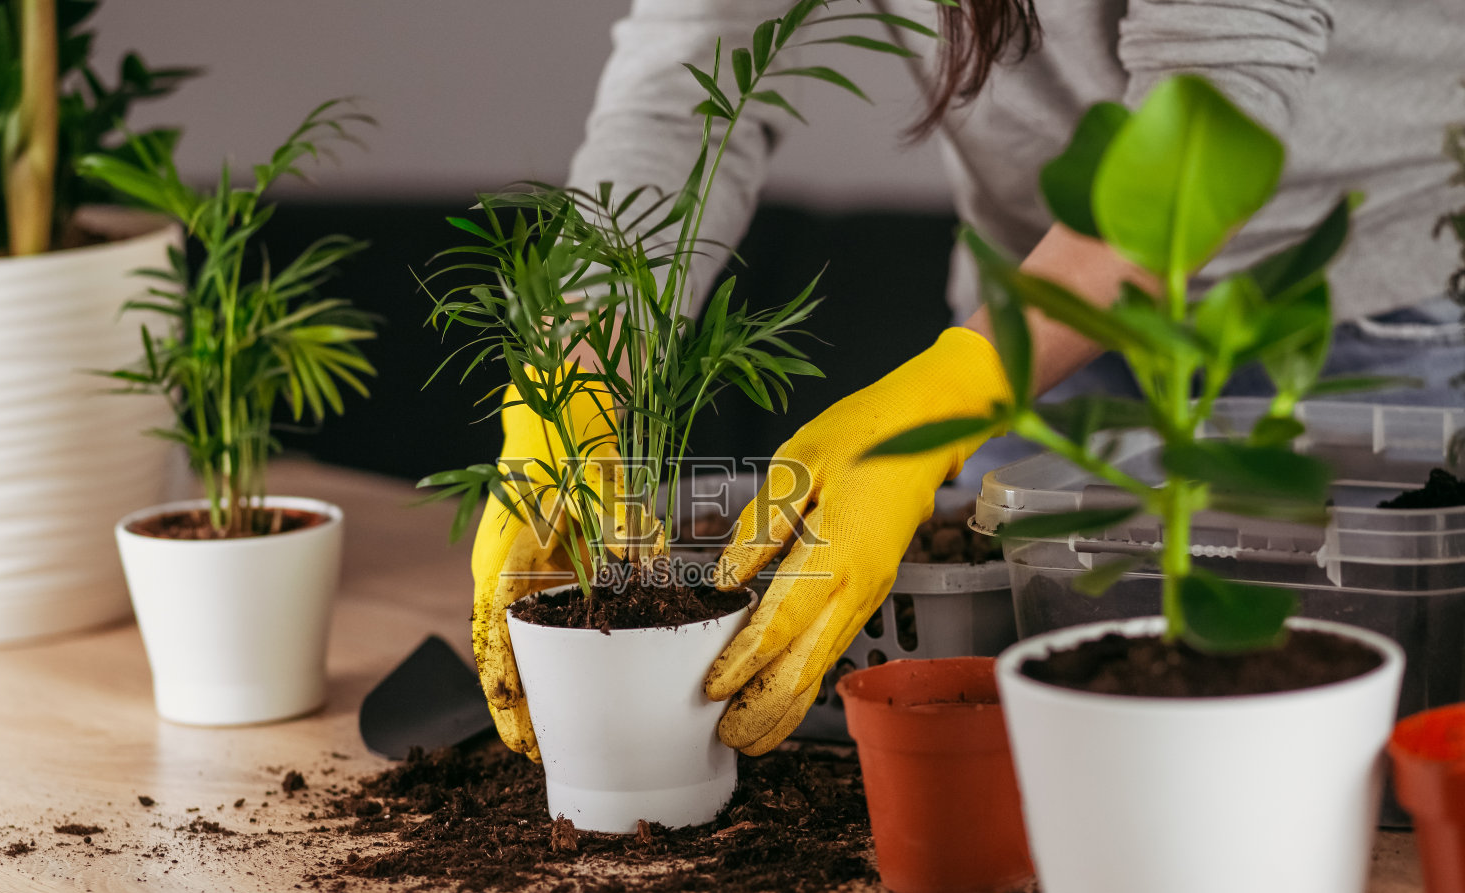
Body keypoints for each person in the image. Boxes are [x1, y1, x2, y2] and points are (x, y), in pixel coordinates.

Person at [472, 0, 1465, 760]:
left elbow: (1218, 93)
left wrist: (957, 389)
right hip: (1044, 312)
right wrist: (578, 377)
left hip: (1350, 308)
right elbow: (686, 88)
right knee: (1020, 747)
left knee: (1349, 761)